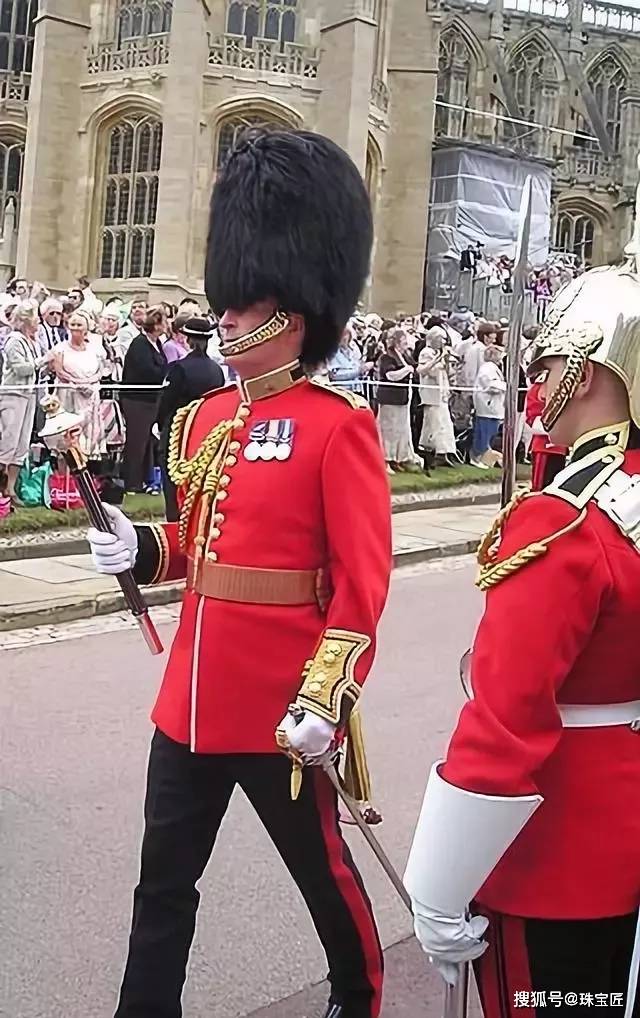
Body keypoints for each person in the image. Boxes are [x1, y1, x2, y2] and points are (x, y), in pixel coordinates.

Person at [86, 129, 392, 1018]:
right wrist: (138, 550)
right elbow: (195, 545)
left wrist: (324, 699)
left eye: (238, 303)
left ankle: (358, 997)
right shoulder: (209, 417)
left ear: (290, 309)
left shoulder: (339, 427)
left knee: (325, 881)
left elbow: (361, 591)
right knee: (161, 891)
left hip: (280, 708)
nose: (220, 318)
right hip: (187, 701)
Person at [404, 254, 640, 1015]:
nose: (536, 384)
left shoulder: (560, 521)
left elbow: (507, 720)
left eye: (546, 364)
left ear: (585, 368)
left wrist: (439, 884)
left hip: (555, 854)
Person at [155, 316, 225, 522]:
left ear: (188, 339)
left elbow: (167, 401)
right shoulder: (216, 370)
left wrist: (161, 424)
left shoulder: (179, 368)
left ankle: (176, 521)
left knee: (174, 481)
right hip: (206, 431)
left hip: (179, 430)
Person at [0, 302, 47, 505]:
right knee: (8, 442)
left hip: (29, 396)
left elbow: (34, 371)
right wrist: (43, 360)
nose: (38, 321)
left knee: (22, 444)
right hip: (13, 396)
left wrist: (46, 366)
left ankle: (11, 489)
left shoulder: (32, 342)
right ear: (27, 320)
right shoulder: (14, 341)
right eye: (36, 317)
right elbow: (20, 369)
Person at [120, 306, 168, 493]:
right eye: (164, 321)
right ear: (156, 324)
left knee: (148, 442)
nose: (167, 325)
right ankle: (131, 482)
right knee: (136, 441)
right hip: (136, 400)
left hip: (151, 400)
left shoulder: (157, 343)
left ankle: (146, 480)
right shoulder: (139, 344)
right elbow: (146, 370)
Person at [47, 310, 106, 459]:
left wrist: (89, 382)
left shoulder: (95, 350)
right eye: (72, 324)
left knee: (87, 437)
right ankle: (63, 477)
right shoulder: (60, 348)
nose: (75, 328)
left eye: (79, 325)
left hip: (90, 396)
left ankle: (84, 474)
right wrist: (77, 383)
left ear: (86, 328)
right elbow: (59, 371)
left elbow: (101, 370)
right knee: (66, 439)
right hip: (68, 395)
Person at [376, 327, 418, 473]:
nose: (406, 344)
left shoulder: (405, 356)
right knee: (388, 430)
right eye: (404, 341)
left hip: (402, 398)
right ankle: (385, 459)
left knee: (400, 430)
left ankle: (397, 459)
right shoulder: (386, 357)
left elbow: (415, 368)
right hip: (389, 398)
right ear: (397, 342)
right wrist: (406, 370)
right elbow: (390, 376)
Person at [417, 327, 457, 468]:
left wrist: (447, 362)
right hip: (431, 394)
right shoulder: (426, 353)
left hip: (441, 394)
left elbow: (446, 372)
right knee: (435, 424)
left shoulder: (439, 353)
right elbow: (425, 371)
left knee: (444, 424)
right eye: (441, 338)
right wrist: (438, 360)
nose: (443, 342)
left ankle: (443, 453)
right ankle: (435, 452)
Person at [471, 344, 506, 468]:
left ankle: (486, 459)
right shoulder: (487, 368)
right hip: (487, 406)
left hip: (492, 407)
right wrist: (506, 386)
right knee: (484, 434)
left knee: (490, 434)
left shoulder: (492, 368)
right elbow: (490, 384)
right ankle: (477, 457)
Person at [327, 323, 364, 392]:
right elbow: (334, 375)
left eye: (345, 334)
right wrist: (359, 371)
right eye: (341, 335)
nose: (343, 338)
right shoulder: (332, 353)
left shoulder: (352, 351)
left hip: (356, 390)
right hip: (341, 391)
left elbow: (358, 366)